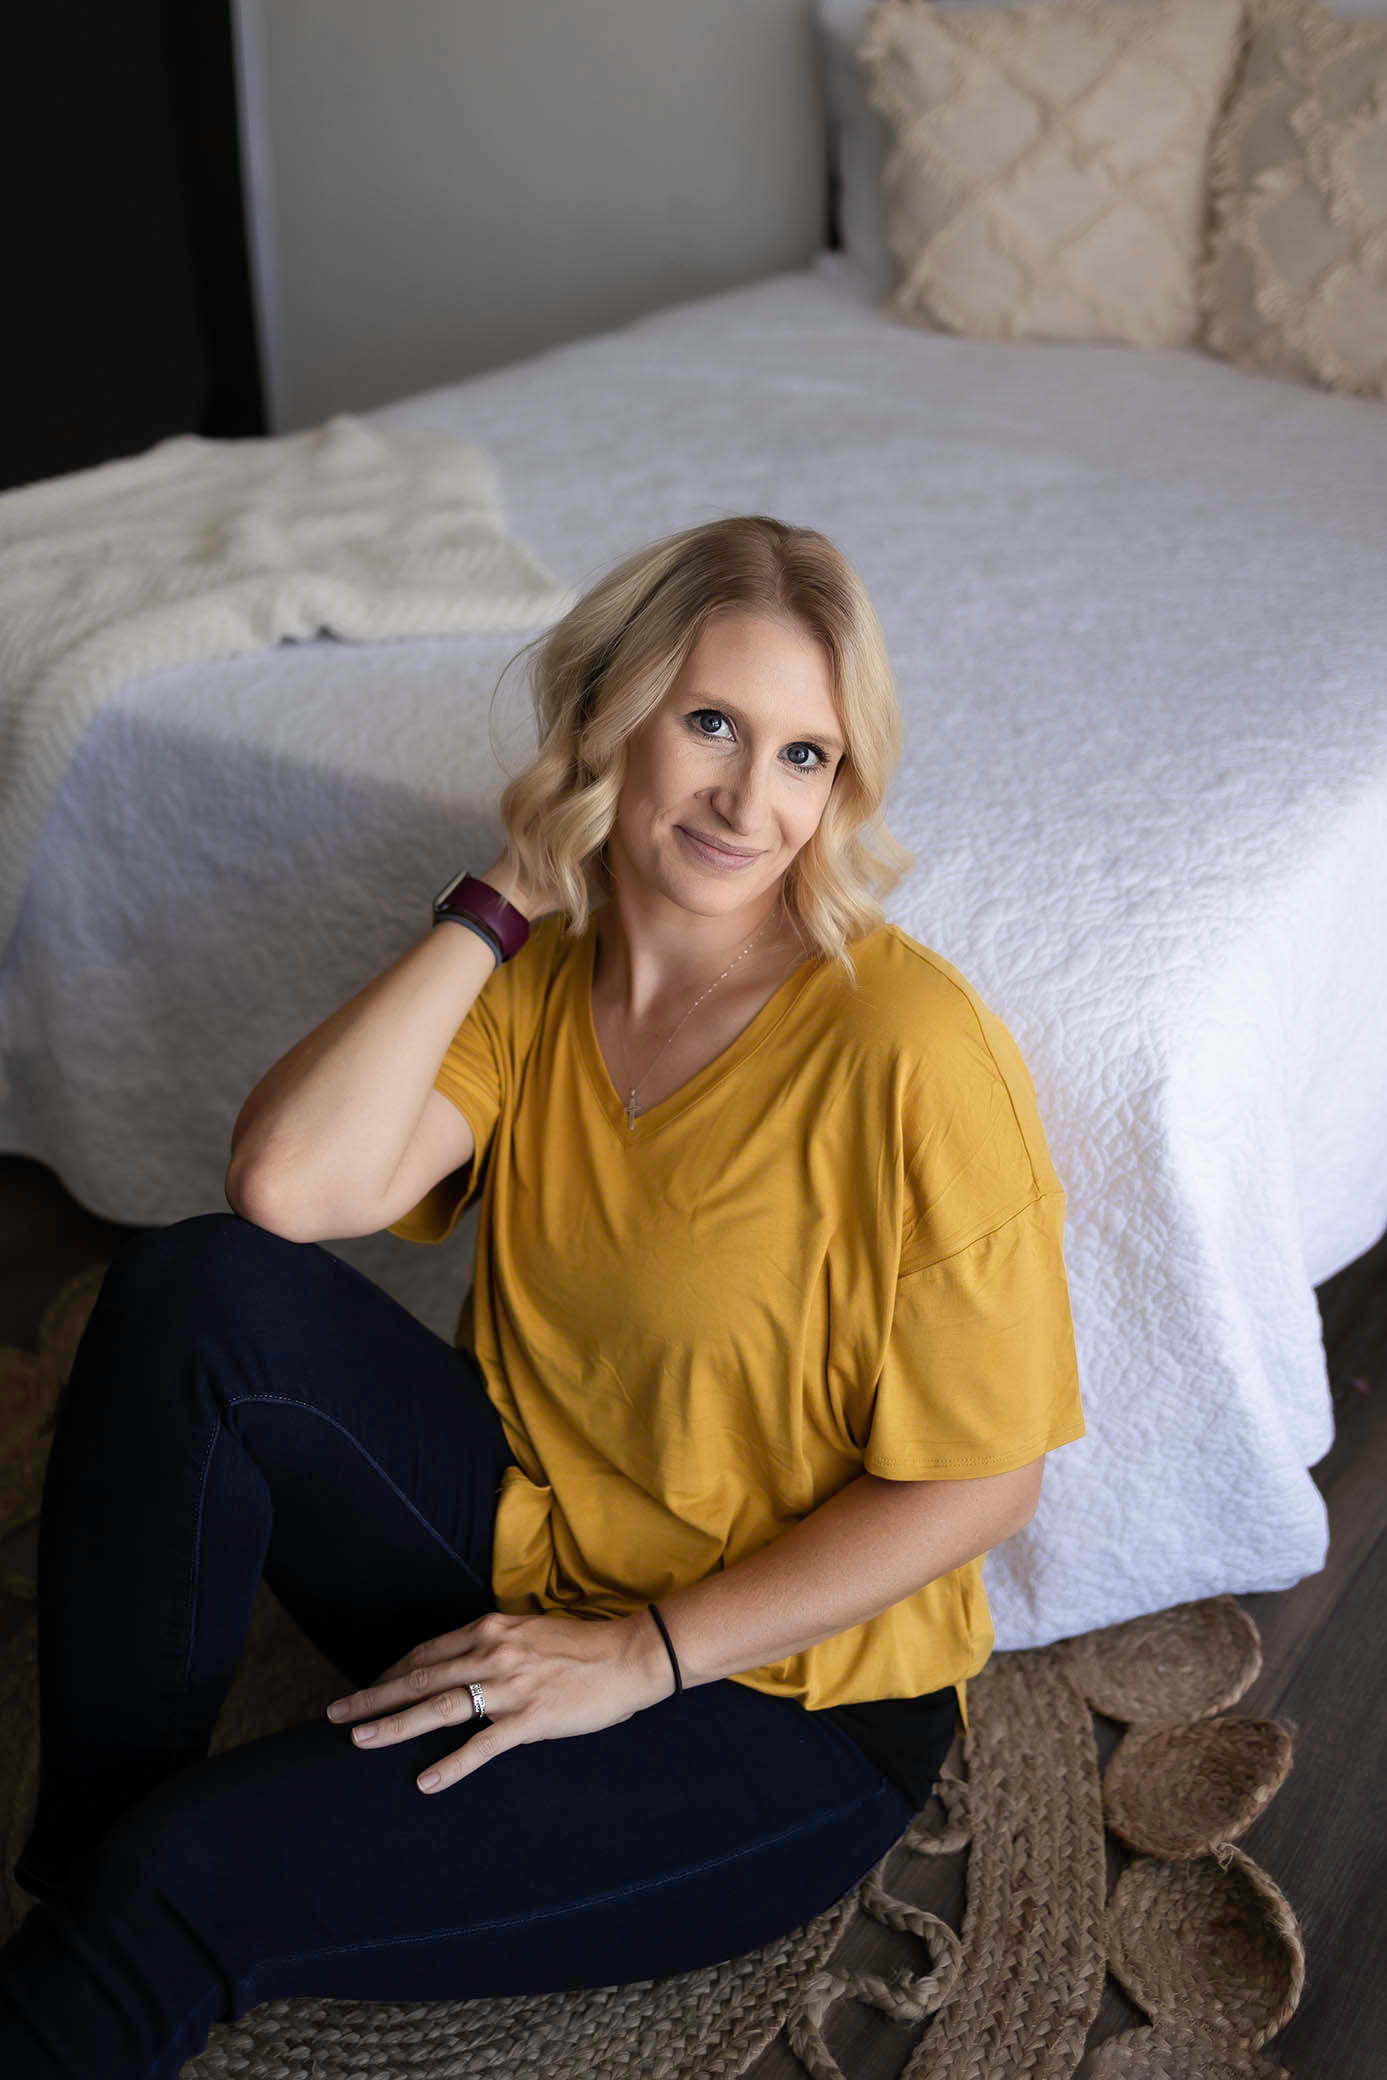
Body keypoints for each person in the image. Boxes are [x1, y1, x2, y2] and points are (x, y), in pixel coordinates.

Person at [0, 513, 1085, 2078]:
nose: (750, 801)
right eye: (710, 724)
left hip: (772, 1711)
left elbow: (984, 1484)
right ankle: (86, 1870)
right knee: (195, 1298)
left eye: (805, 755)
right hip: (531, 1555)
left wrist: (639, 1655)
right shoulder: (543, 975)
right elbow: (287, 1188)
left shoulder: (909, 1049)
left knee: (198, 1878)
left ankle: (129, 1911)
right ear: (606, 719)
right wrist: (506, 888)